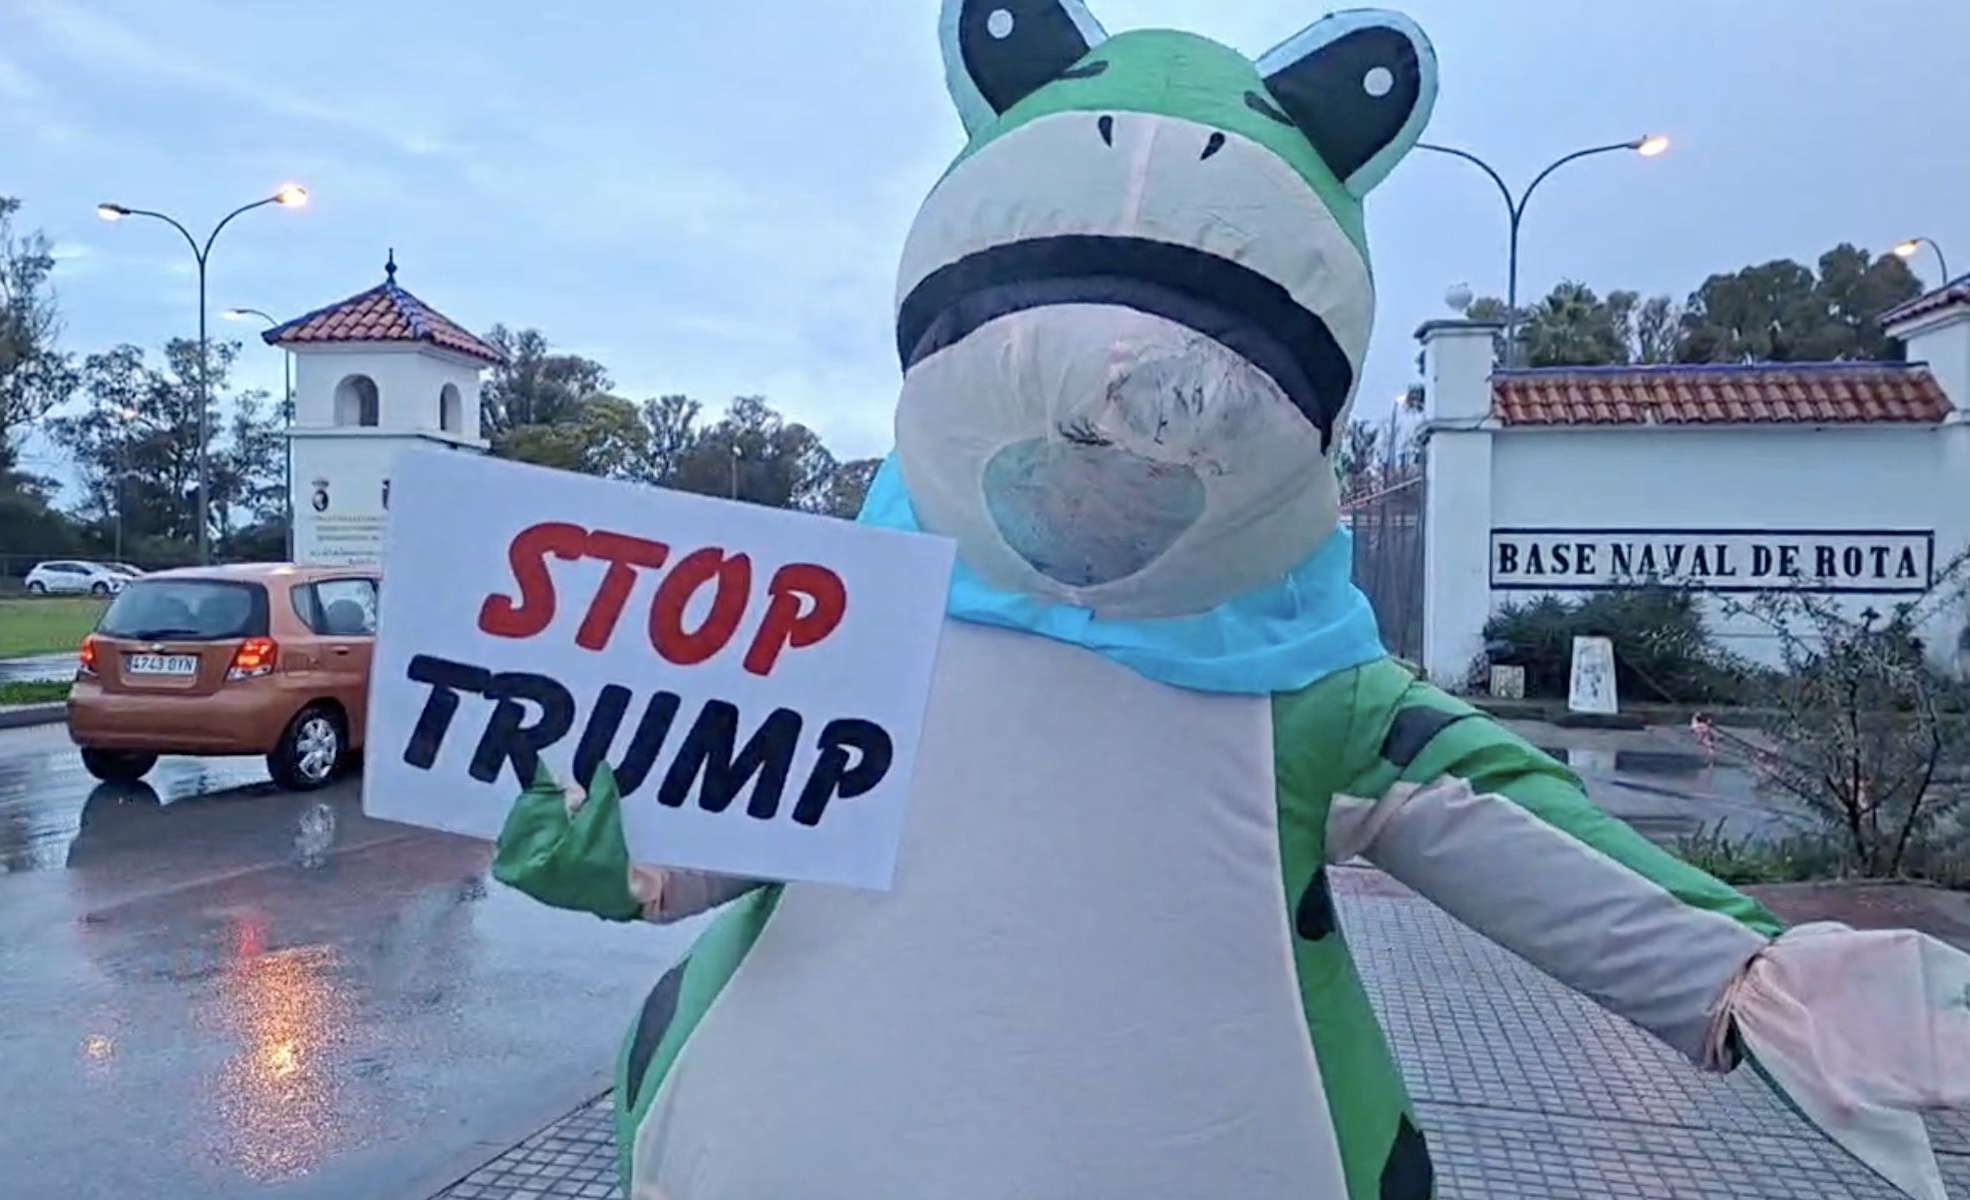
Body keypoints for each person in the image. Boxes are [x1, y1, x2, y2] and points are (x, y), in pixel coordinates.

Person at [494, 4, 1970, 1198]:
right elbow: (730, 810)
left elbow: (1521, 836)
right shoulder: (847, 623)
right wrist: (616, 855)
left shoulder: (1309, 691)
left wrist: (1768, 983)